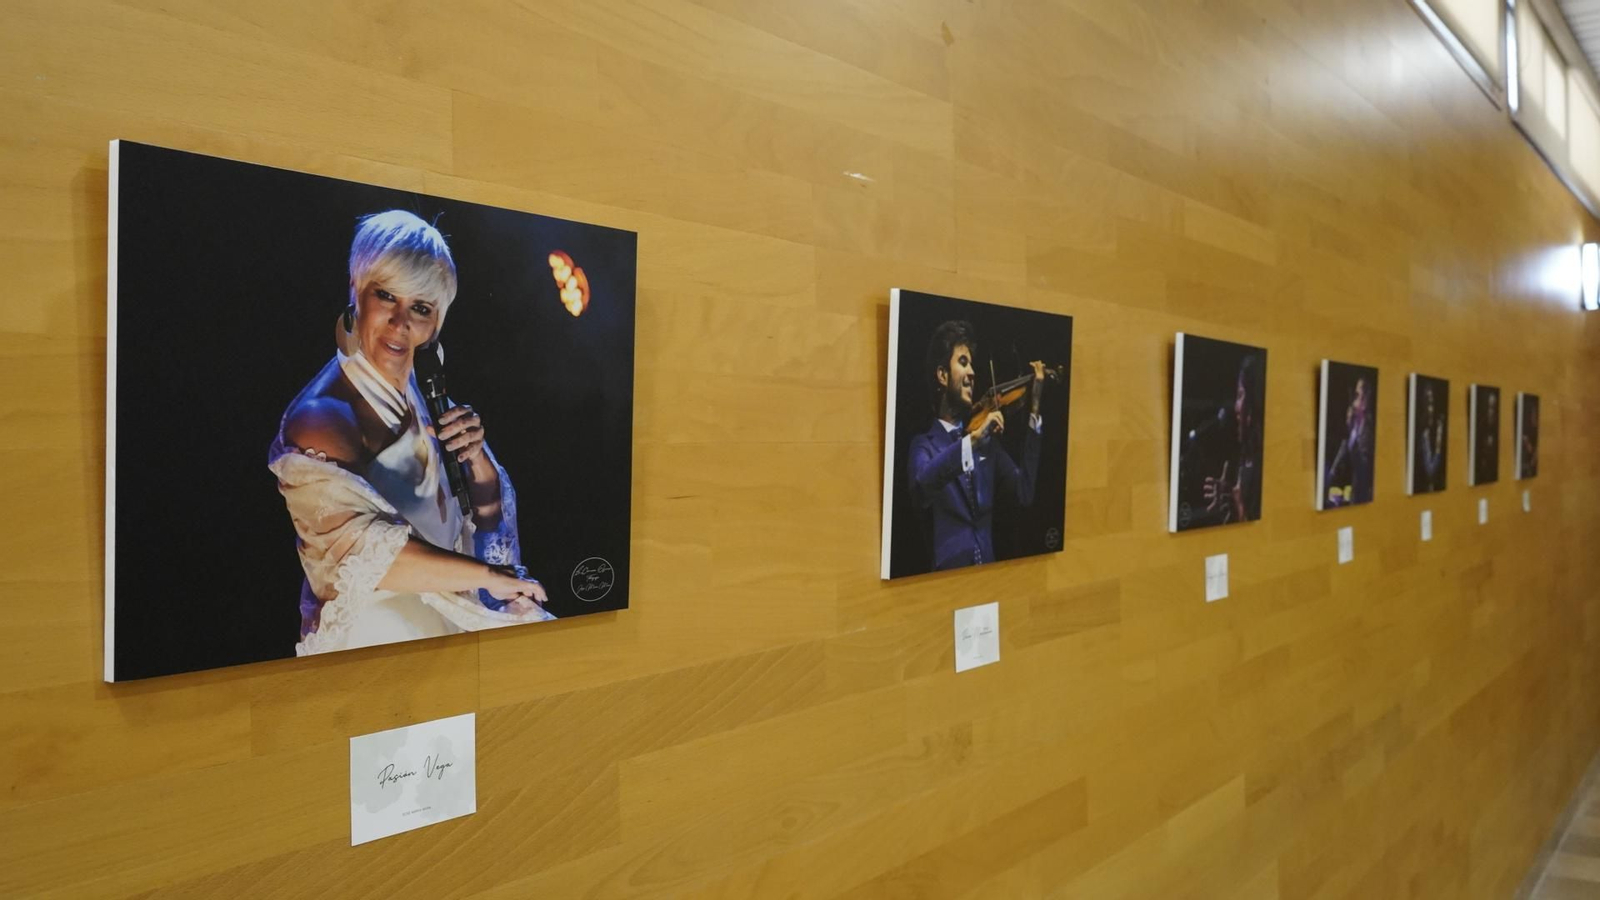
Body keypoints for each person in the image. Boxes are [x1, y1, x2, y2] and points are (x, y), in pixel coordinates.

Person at [267, 210, 553, 656]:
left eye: (420, 309)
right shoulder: (322, 418)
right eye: (387, 297)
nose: (401, 324)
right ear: (356, 291)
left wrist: (476, 460)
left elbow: (471, 513)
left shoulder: (423, 391)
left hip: (444, 624)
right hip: (378, 639)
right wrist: (489, 577)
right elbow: (367, 559)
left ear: (436, 323)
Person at [906, 321, 1045, 571]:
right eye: (962, 362)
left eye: (971, 364)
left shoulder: (987, 446)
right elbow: (922, 487)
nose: (972, 372)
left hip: (987, 574)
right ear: (942, 375)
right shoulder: (923, 445)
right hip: (946, 576)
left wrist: (1034, 410)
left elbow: (1024, 492)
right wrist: (972, 442)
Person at [1202, 353, 1263, 523]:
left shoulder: (1262, 460)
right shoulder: (1244, 456)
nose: (1236, 407)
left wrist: (1239, 506)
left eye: (1240, 395)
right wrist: (1229, 496)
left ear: (1253, 404)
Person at [1324, 376, 1374, 506]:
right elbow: (1344, 450)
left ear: (1366, 397)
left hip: (1360, 489)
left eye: (1359, 395)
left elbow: (1364, 462)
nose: (1355, 400)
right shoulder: (1351, 429)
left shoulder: (1369, 425)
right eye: (1356, 395)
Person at [1417, 383, 1445, 492]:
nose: (1430, 410)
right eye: (1427, 404)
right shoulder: (1424, 434)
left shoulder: (1433, 430)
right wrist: (1439, 435)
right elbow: (1430, 471)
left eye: (1432, 404)